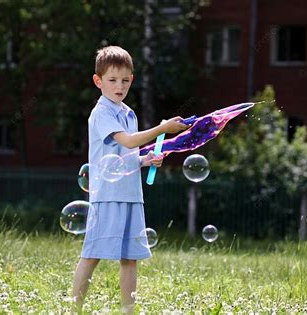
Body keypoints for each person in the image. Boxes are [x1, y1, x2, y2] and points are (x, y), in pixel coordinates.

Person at [71, 45, 188, 314]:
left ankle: (128, 311)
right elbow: (127, 140)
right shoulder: (102, 113)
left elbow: (126, 154)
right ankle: (73, 308)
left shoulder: (128, 112)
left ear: (132, 80)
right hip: (108, 195)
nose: (119, 86)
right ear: (98, 81)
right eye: (112, 80)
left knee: (130, 258)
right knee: (92, 254)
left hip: (131, 194)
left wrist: (145, 160)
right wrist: (162, 129)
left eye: (125, 80)